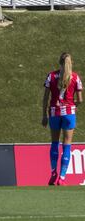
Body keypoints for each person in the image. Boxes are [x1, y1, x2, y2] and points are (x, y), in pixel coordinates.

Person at [42, 52, 82, 186]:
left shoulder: (51, 76)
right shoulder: (75, 77)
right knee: (67, 144)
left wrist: (44, 115)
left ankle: (53, 172)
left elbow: (45, 98)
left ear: (59, 62)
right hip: (69, 113)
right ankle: (62, 177)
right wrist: (73, 106)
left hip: (54, 112)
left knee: (54, 143)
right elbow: (80, 100)